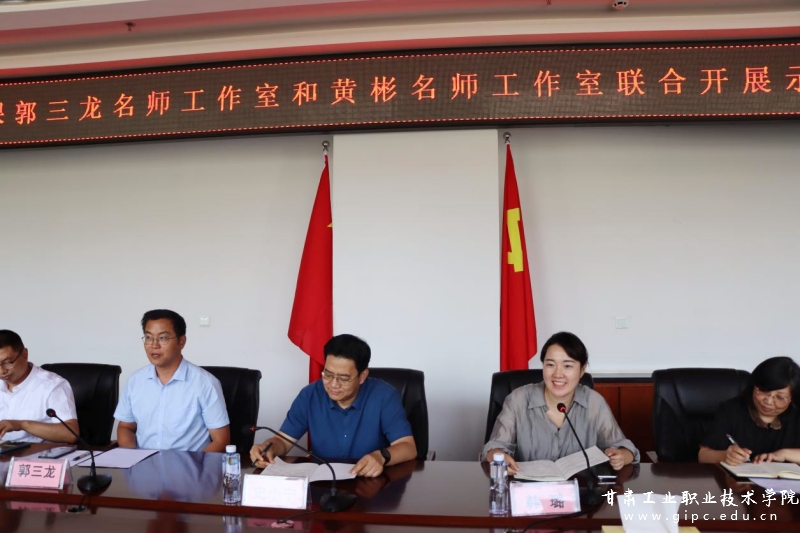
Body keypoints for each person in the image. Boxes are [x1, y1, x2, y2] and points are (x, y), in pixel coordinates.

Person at [250, 334, 416, 477]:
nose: (333, 384)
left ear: (362, 376)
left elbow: (408, 447)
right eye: (328, 374)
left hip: (370, 482)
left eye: (343, 378)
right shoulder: (310, 395)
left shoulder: (384, 396)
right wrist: (267, 448)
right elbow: (283, 441)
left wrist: (381, 456)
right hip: (323, 483)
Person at [482, 331, 639, 472]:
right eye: (550, 365)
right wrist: (499, 458)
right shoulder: (518, 399)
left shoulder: (594, 402)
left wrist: (621, 456)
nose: (558, 374)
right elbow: (493, 448)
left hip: (582, 490)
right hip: (528, 490)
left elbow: (624, 448)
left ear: (582, 370)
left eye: (567, 366)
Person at [114, 310, 230, 452]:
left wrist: (195, 465)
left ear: (181, 341)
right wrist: (132, 456)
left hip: (189, 464)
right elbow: (125, 427)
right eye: (148, 337)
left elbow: (221, 440)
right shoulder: (135, 381)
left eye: (162, 338)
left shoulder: (205, 383)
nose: (154, 345)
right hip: (143, 463)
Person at [699, 356, 800, 465]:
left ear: (793, 398)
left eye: (780, 397)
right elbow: (703, 455)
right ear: (753, 386)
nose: (768, 401)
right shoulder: (732, 410)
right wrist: (725, 456)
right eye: (763, 390)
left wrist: (785, 454)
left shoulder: (797, 415)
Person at [0, 329, 79, 444]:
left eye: (8, 363)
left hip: (37, 453)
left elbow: (70, 434)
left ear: (24, 354)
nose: (2, 371)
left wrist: (22, 425)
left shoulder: (52, 385)